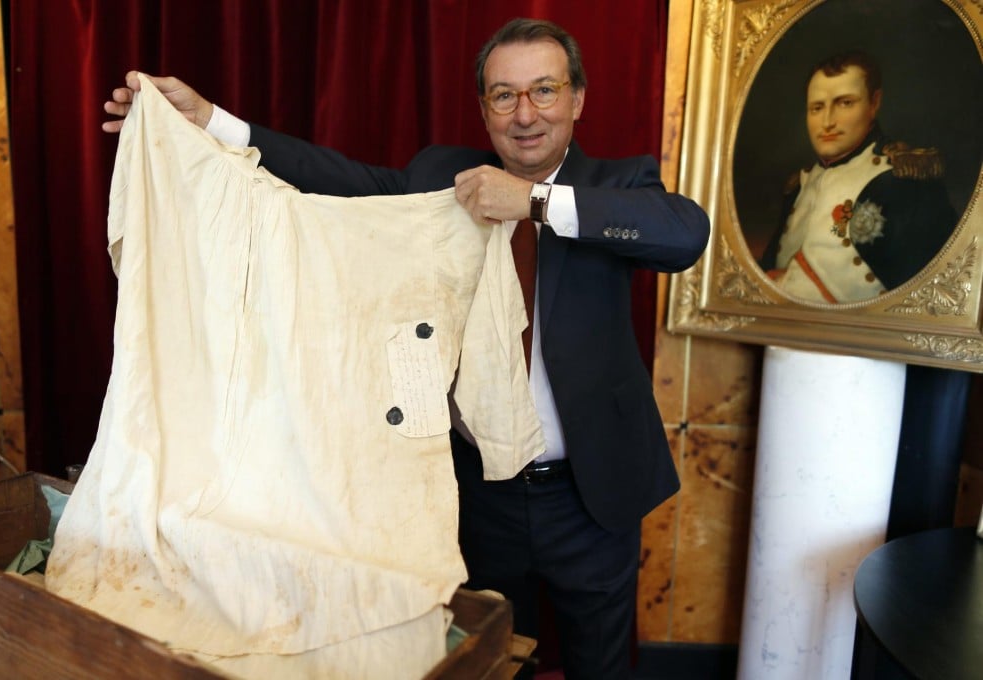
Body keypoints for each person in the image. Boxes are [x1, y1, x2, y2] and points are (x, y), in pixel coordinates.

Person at [103, 18, 709, 679]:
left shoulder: (620, 185)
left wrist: (532, 200)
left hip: (591, 494)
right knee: (491, 660)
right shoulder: (443, 175)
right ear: (484, 108)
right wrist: (213, 120)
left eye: (544, 90)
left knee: (603, 666)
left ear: (578, 99)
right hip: (478, 491)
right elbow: (335, 180)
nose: (525, 113)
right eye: (504, 95)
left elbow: (682, 235)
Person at [758, 50, 957, 304]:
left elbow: (931, 298)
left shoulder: (901, 182)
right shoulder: (800, 185)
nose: (827, 121)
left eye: (845, 103)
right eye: (817, 108)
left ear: (874, 104)